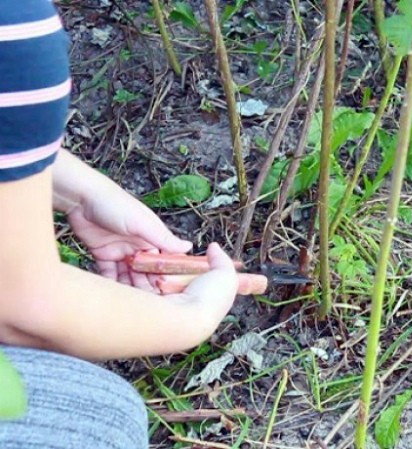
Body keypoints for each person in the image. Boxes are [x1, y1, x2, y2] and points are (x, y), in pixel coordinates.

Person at [0, 2, 265, 448]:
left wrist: (78, 193)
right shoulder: (16, 28)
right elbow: (20, 312)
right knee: (101, 423)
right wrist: (187, 318)